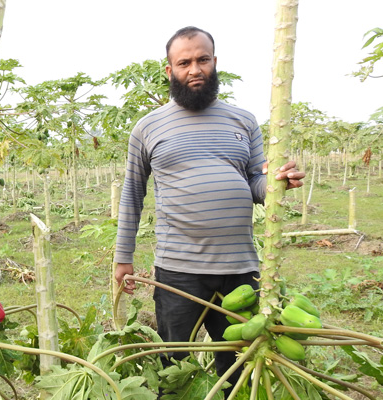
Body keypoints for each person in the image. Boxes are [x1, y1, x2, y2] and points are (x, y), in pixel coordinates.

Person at [113, 26, 305, 393]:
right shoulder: (148, 127)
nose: (195, 69)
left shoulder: (243, 121)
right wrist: (123, 258)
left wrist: (278, 182)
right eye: (184, 62)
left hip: (241, 267)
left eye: (202, 59)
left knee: (237, 361)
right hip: (179, 271)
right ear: (169, 71)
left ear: (215, 63)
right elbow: (132, 193)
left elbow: (256, 184)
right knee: (175, 365)